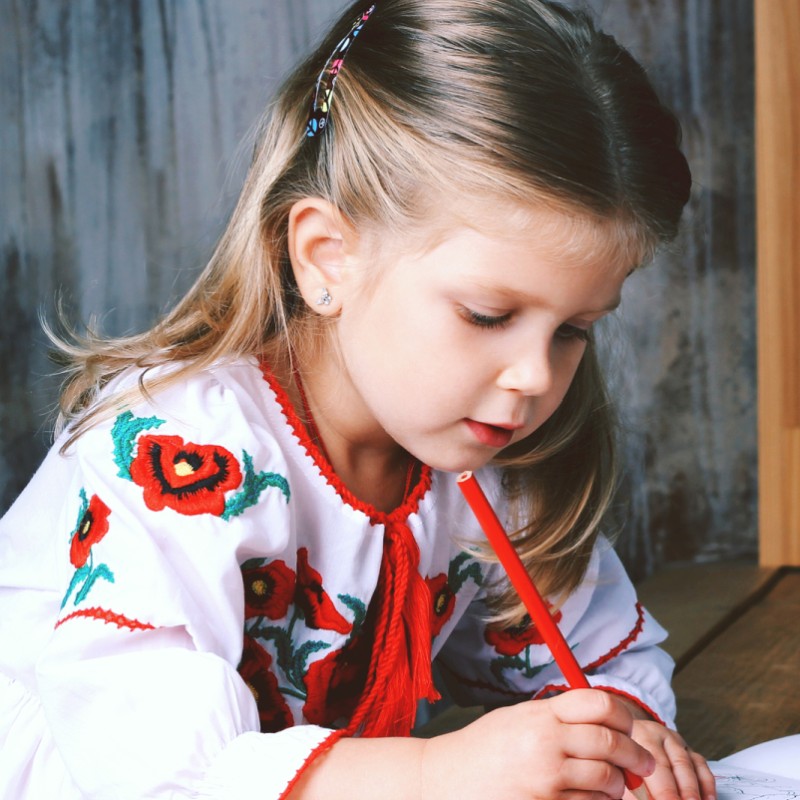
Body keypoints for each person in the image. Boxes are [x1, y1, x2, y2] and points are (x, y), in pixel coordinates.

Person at [0, 1, 717, 798]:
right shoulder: (175, 452)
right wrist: (437, 773)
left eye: (573, 330)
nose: (536, 377)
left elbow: (599, 656)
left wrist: (621, 740)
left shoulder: (478, 454)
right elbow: (154, 770)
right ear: (327, 258)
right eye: (488, 315)